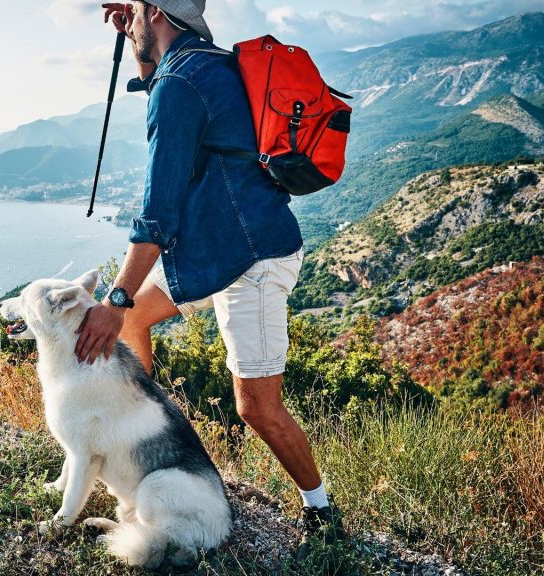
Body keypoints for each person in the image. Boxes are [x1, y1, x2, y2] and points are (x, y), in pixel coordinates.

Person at [75, 0, 345, 557]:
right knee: (134, 328)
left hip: (251, 259)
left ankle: (322, 511)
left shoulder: (182, 84)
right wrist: (136, 44)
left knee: (256, 408)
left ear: (153, 11)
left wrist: (118, 296)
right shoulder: (208, 65)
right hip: (211, 249)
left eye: (135, 15)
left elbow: (159, 210)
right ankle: (147, 448)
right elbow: (167, 104)